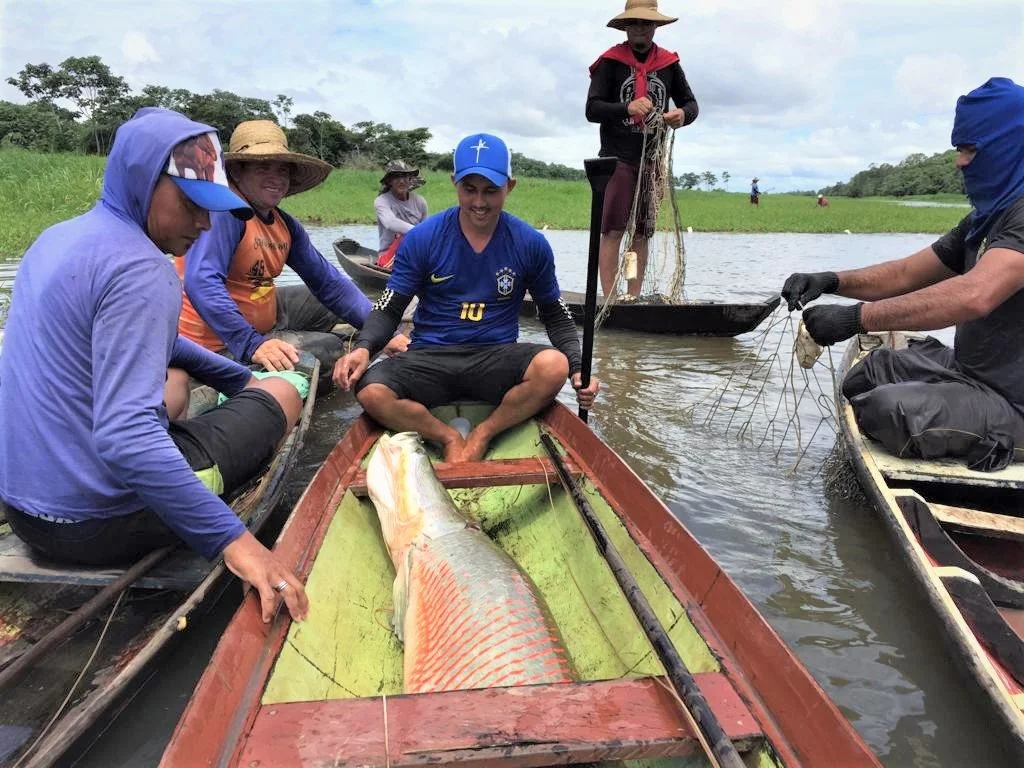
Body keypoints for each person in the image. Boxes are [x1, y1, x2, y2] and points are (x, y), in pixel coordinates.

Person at [0, 108, 308, 623]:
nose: (204, 222)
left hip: (25, 511)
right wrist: (237, 543)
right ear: (145, 181)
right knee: (284, 393)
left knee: (193, 394)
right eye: (191, 203)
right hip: (101, 523)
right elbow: (125, 437)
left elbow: (160, 343)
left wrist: (235, 375)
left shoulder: (55, 240)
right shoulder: (144, 270)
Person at [782, 77, 1024, 471]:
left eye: (969, 150)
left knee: (886, 410)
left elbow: (974, 295)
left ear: (1011, 145)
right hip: (970, 372)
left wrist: (855, 318)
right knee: (865, 376)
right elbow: (907, 273)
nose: (959, 162)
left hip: (1014, 402)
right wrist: (830, 280)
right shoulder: (987, 217)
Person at [334, 133, 600, 463]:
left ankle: (485, 432)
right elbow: (390, 306)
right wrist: (363, 347)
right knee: (371, 390)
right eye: (469, 189)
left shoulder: (530, 243)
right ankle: (444, 435)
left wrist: (577, 366)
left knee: (553, 366)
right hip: (432, 356)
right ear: (454, 183)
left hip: (494, 357)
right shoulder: (423, 239)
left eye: (491, 190)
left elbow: (555, 313)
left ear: (510, 186)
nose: (479, 202)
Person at [176, 119, 405, 374]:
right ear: (237, 172)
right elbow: (201, 282)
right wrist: (252, 344)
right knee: (330, 348)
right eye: (263, 168)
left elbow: (328, 283)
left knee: (332, 298)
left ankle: (282, 337)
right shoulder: (226, 214)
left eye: (282, 170)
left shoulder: (285, 224)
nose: (276, 178)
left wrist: (384, 331)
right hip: (218, 340)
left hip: (264, 313)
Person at [586, 0, 698, 301]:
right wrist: (627, 107)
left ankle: (631, 296)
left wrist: (681, 116)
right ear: (625, 26)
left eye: (647, 23)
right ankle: (609, 298)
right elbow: (592, 108)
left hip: (651, 160)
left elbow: (691, 104)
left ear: (655, 27)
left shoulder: (669, 64)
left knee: (641, 232)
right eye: (634, 23)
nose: (641, 29)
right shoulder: (610, 62)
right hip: (617, 157)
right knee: (612, 230)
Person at [375, 159, 428, 269]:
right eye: (396, 177)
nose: (401, 181)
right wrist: (418, 233)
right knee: (405, 238)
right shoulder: (381, 201)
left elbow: (427, 229)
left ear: (410, 180)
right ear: (390, 181)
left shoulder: (420, 201)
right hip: (389, 257)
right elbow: (390, 223)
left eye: (404, 177)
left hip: (414, 255)